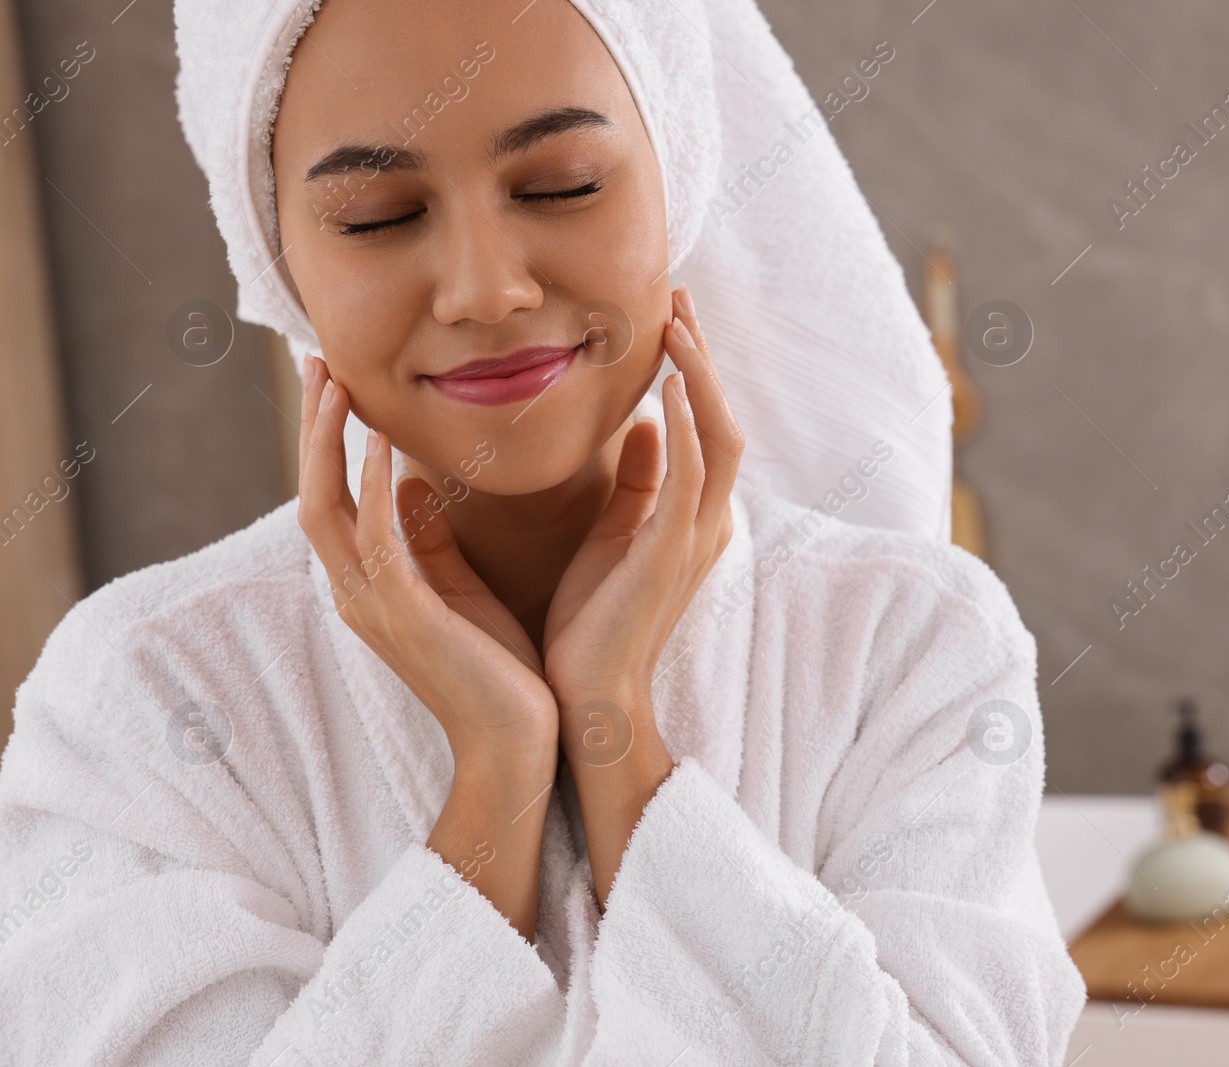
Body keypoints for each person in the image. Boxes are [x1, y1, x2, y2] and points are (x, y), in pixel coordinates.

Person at [0, 0, 1084, 1062]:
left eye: (561, 185)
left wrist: (622, 743)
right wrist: (492, 788)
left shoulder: (908, 641)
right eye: (377, 212)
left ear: (681, 181)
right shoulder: (145, 700)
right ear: (277, 257)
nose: (486, 289)